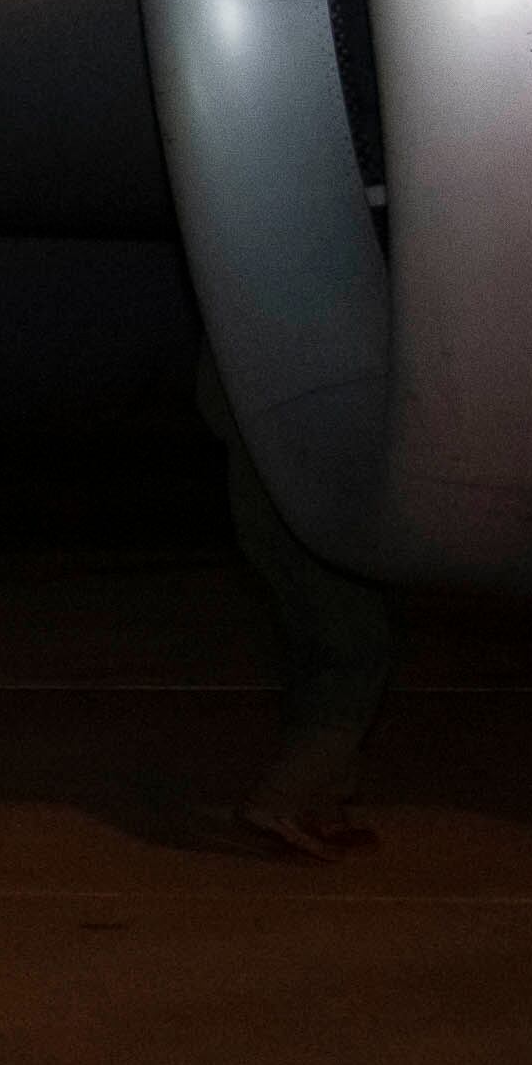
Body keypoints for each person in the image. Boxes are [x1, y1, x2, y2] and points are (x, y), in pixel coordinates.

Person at [201, 349, 396, 860]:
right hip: (307, 505)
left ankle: (323, 799)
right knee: (357, 650)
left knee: (319, 652)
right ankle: (281, 799)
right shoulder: (287, 348)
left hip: (268, 502)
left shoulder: (238, 329)